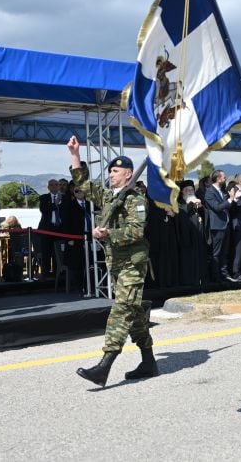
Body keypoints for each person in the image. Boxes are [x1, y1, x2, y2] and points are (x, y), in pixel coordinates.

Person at [68, 138, 157, 387]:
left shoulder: (136, 199)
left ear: (128, 174)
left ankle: (104, 365)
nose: (111, 174)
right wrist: (75, 155)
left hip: (132, 263)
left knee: (121, 310)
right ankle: (149, 361)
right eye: (109, 170)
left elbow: (136, 231)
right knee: (135, 312)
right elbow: (84, 184)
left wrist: (109, 234)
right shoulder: (108, 196)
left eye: (115, 171)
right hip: (115, 263)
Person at [204, 169, 237, 282]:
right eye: (223, 177)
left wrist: (232, 199)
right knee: (216, 253)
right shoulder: (209, 192)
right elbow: (217, 207)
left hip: (225, 225)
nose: (225, 178)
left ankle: (224, 274)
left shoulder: (221, 190)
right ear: (218, 178)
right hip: (217, 227)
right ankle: (216, 277)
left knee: (224, 252)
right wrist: (230, 199)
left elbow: (226, 206)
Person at [37, 179, 62, 277]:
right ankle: (45, 274)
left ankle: (58, 273)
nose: (54, 186)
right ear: (48, 187)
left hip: (59, 229)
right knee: (46, 253)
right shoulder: (44, 198)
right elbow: (43, 209)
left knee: (58, 254)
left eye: (56, 184)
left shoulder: (63, 198)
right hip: (47, 229)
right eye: (51, 185)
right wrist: (55, 203)